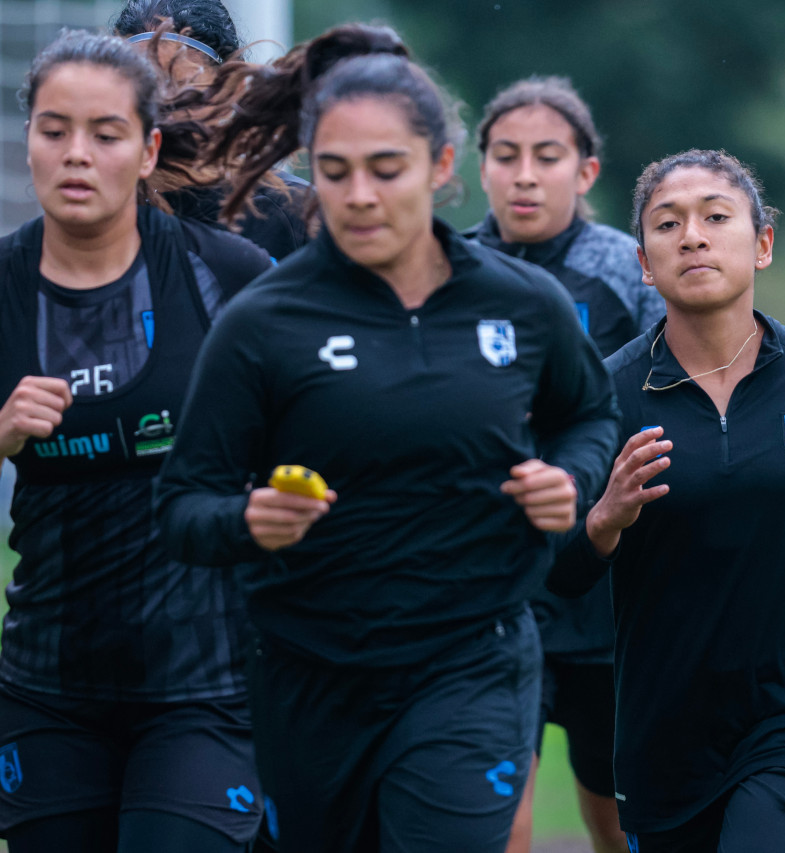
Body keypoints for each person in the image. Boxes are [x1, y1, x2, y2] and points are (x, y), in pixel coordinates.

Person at [154, 24, 619, 853]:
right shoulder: (263, 321)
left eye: (386, 169)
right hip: (309, 675)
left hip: (472, 663)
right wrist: (247, 520)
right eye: (335, 172)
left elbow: (588, 416)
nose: (360, 195)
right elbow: (184, 505)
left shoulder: (521, 303)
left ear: (441, 166)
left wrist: (571, 479)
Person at [548, 149, 785, 852]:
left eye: (716, 217)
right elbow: (559, 567)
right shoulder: (607, 394)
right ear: (644, 263)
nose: (692, 237)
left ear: (762, 244)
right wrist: (605, 518)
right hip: (665, 725)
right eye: (668, 224)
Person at [0, 30, 273, 852]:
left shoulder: (228, 276)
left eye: (106, 133)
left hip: (205, 685)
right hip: (47, 685)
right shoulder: (3, 284)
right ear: (29, 141)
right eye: (55, 130)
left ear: (149, 150)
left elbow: (328, 430)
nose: (77, 154)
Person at [468, 75, 663, 853]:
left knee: (615, 826)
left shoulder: (629, 269)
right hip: (489, 588)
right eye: (506, 155)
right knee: (497, 823)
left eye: (546, 157)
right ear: (478, 165)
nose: (524, 175)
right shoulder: (447, 268)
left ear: (585, 171)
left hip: (606, 594)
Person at [113, 0, 311, 262]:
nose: (158, 108)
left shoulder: (294, 213)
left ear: (231, 89)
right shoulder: (101, 207)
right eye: (143, 89)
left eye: (180, 87)